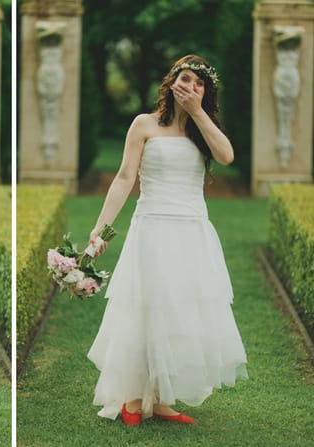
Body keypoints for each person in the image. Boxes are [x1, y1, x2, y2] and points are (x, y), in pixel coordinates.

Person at [86, 55, 248, 425]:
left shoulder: (203, 131)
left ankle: (159, 399)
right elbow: (125, 178)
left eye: (200, 83)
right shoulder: (144, 124)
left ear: (205, 92)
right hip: (153, 227)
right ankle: (130, 396)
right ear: (172, 83)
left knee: (181, 310)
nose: (191, 86)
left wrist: (199, 113)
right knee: (148, 308)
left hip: (191, 229)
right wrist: (101, 228)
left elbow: (226, 155)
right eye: (186, 79)